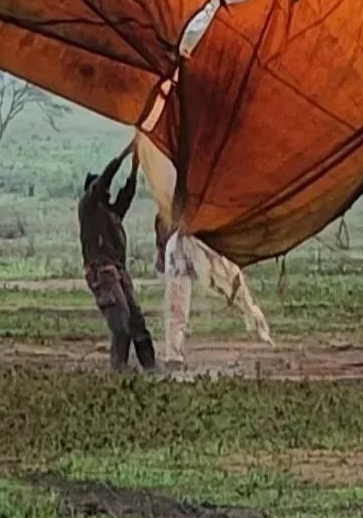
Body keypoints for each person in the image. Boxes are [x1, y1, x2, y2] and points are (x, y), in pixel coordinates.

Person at [78, 152, 156, 372]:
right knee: (121, 326)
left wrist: (134, 168)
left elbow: (127, 195)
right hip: (101, 273)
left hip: (118, 272)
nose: (105, 190)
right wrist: (122, 156)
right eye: (99, 187)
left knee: (137, 323)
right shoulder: (88, 208)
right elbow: (105, 180)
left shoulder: (111, 214)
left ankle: (151, 369)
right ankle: (118, 371)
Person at [161, 225, 272, 367]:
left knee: (232, 286)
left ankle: (174, 355)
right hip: (189, 244)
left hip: (202, 241)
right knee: (176, 305)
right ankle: (173, 356)